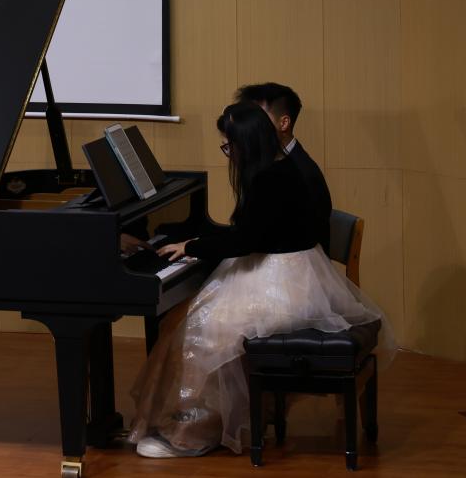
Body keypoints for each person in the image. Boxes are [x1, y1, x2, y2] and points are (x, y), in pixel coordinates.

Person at [128, 102, 393, 458]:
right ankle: (231, 414)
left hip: (283, 285)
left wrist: (191, 245)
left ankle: (193, 431)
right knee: (185, 321)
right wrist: (198, 244)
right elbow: (253, 235)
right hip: (292, 273)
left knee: (200, 332)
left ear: (247, 143)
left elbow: (245, 240)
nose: (229, 154)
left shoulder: (269, 179)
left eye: (229, 146)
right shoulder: (281, 167)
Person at [236, 82, 332, 250]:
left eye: (257, 119)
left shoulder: (296, 170)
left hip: (295, 259)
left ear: (284, 123)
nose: (249, 127)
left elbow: (256, 237)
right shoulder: (279, 162)